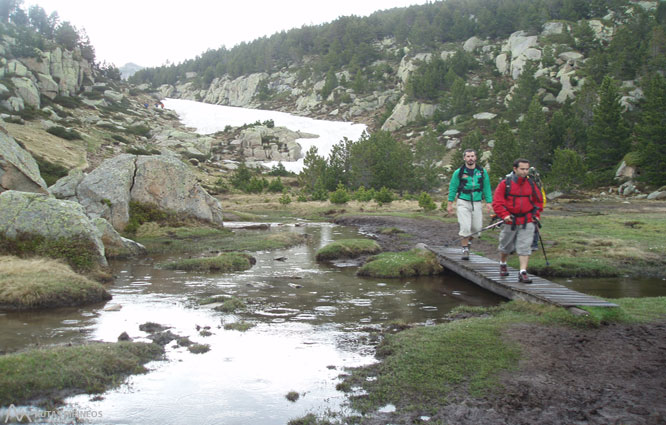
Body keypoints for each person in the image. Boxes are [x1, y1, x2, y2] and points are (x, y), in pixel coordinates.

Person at [493, 158, 544, 283]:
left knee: (525, 246)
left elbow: (539, 201)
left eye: (527, 169)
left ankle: (523, 272)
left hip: (528, 220)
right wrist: (504, 215)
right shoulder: (505, 184)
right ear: (515, 169)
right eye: (522, 169)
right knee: (506, 245)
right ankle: (503, 263)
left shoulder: (531, 184)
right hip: (510, 220)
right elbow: (497, 202)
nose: (525, 172)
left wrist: (536, 215)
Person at [447, 149, 493, 260]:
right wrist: (450, 203)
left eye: (472, 156)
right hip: (463, 201)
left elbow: (486, 187)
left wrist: (489, 202)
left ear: (476, 157)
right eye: (468, 156)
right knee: (465, 227)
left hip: (477, 202)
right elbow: (453, 188)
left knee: (477, 229)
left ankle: (468, 243)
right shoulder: (459, 172)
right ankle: (465, 249)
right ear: (464, 158)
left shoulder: (482, 172)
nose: (470, 158)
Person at [528, 167, 546, 251]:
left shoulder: (534, 184)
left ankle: (533, 244)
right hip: (534, 205)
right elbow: (542, 196)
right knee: (534, 224)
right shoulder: (538, 183)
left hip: (533, 205)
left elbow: (540, 196)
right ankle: (533, 244)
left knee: (533, 224)